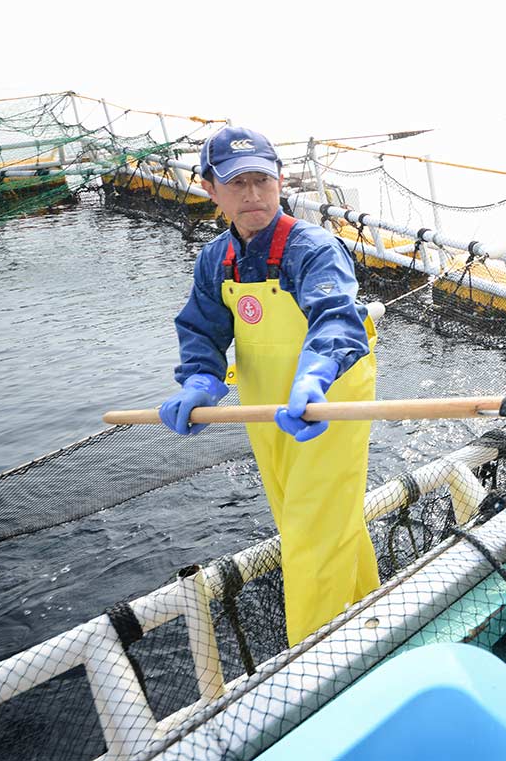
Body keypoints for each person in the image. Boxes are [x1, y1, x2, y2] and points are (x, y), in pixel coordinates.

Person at [158, 126, 380, 644]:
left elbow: (335, 321)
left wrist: (315, 377)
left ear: (281, 181)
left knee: (309, 528)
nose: (253, 194)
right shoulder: (216, 260)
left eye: (262, 179)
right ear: (211, 189)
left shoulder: (313, 248)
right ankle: (369, 605)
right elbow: (201, 329)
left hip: (329, 396)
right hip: (264, 402)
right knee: (304, 512)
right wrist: (200, 380)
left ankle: (314, 660)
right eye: (237, 183)